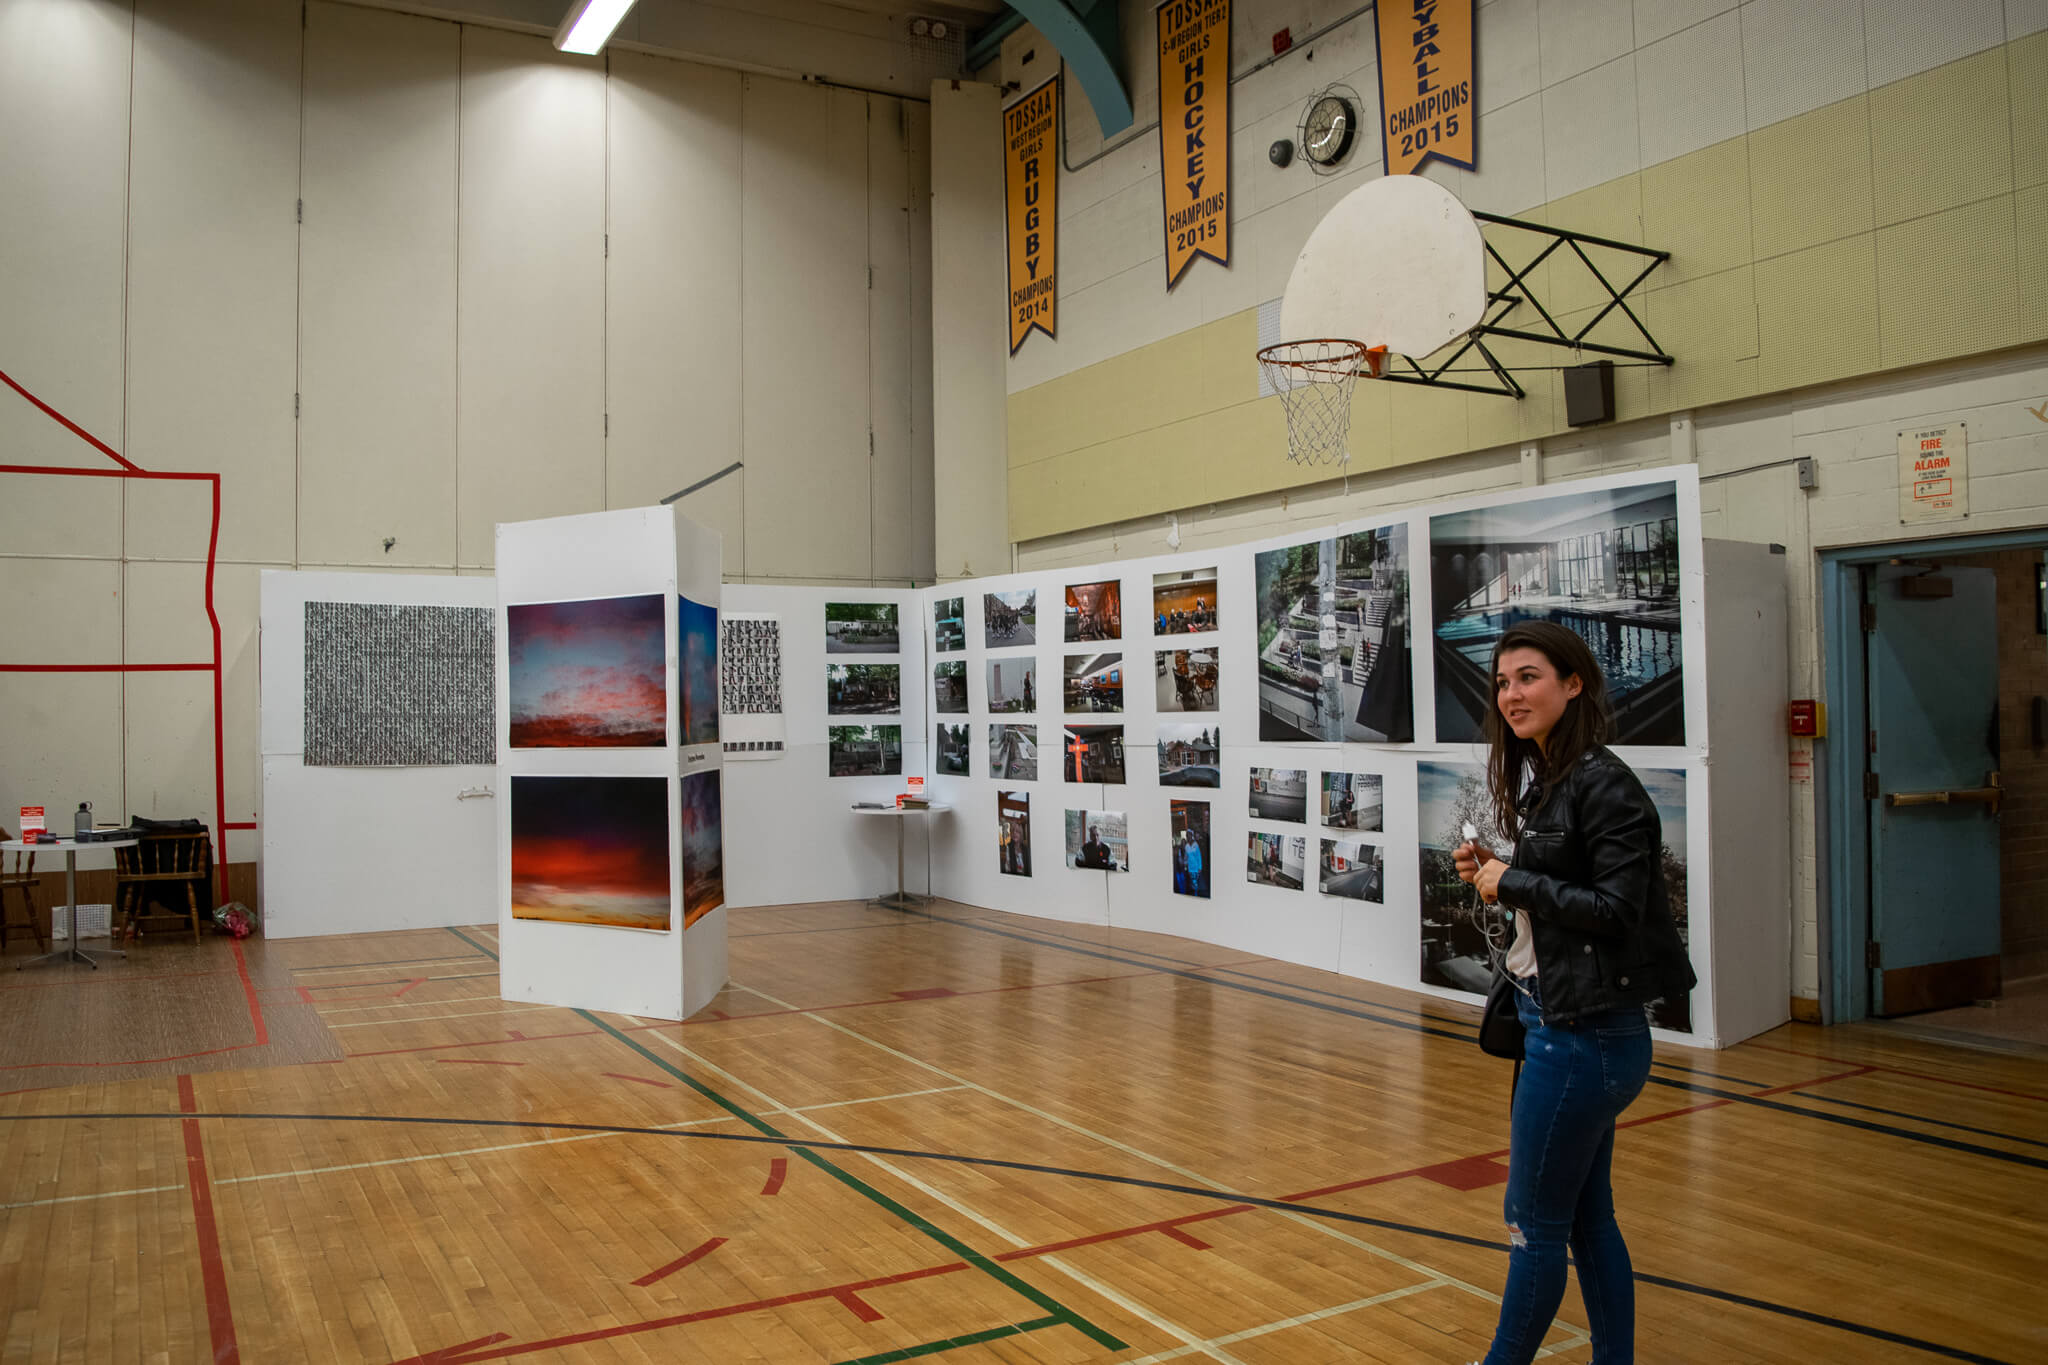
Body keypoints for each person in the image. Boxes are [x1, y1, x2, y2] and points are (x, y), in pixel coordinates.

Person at [1454, 621, 1695, 1365]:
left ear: (1573, 683)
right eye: (1501, 682)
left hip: (1585, 1038)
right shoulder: (1552, 777)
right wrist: (1500, 870)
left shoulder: (1605, 783)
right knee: (1588, 1222)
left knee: (1531, 1225)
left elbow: (1619, 911)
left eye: (1527, 677)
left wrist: (1514, 879)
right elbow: (1567, 897)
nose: (1511, 694)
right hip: (1558, 1026)